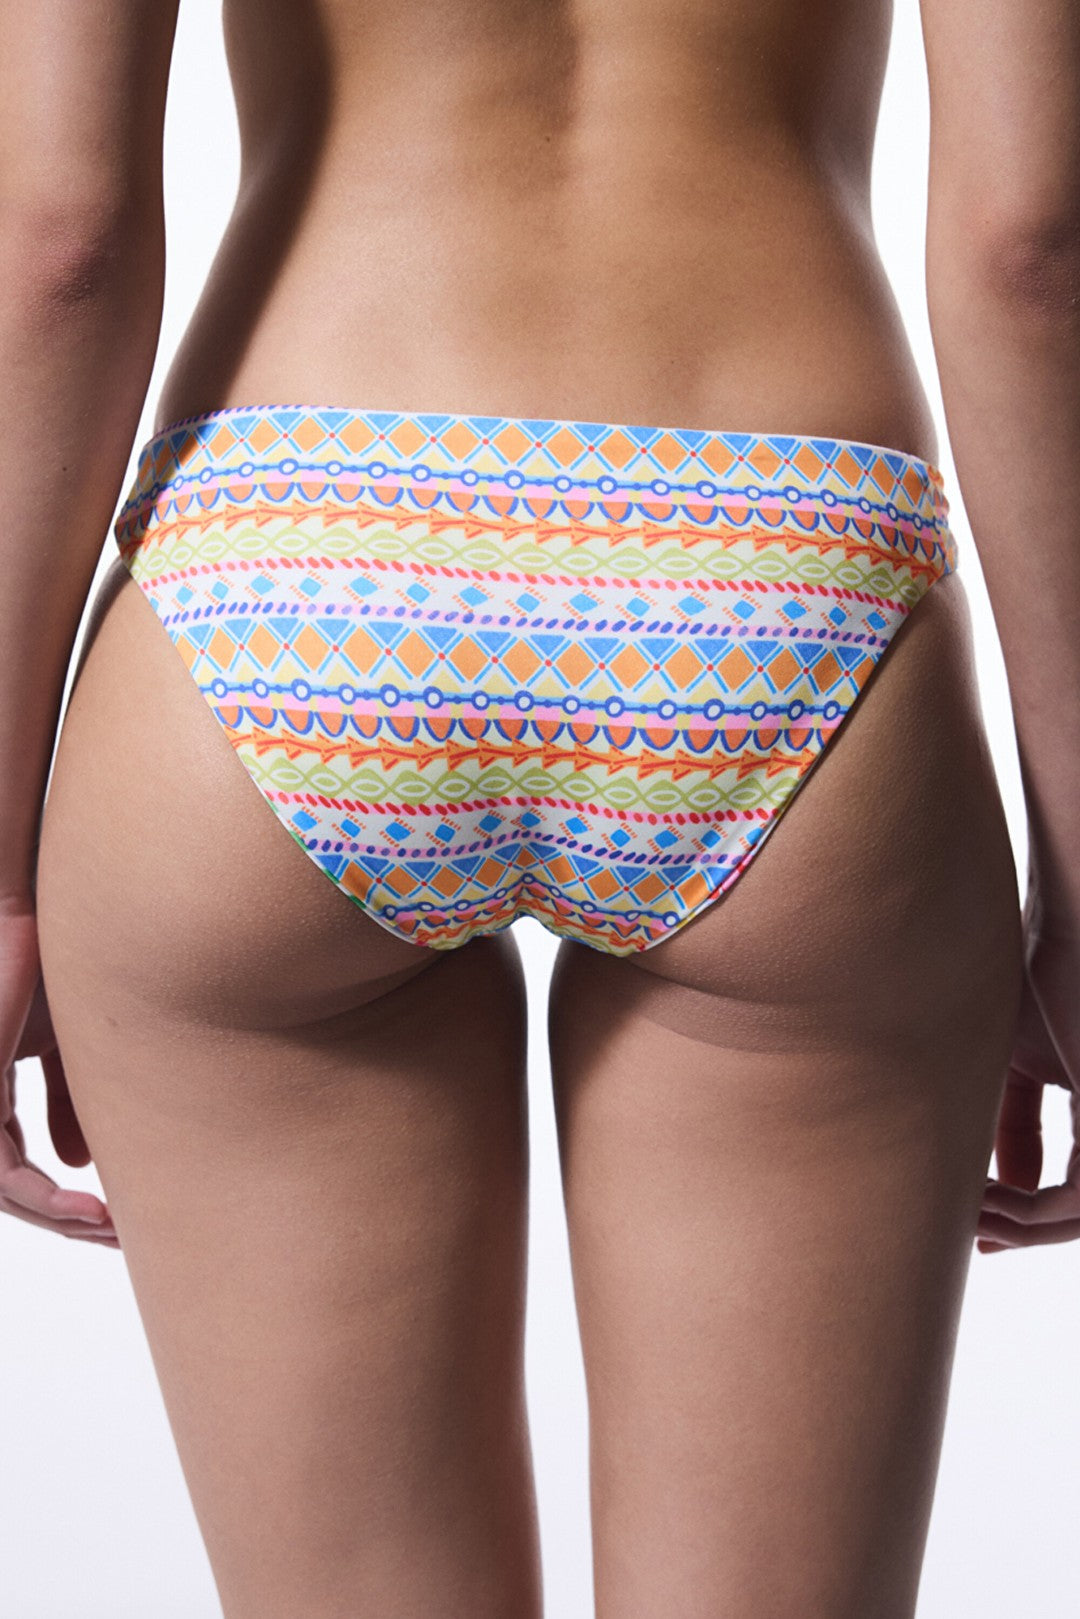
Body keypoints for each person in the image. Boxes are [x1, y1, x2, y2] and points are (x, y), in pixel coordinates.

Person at [1, 0, 1076, 1611]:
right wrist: (1077, 883)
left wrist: (4, 881)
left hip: (299, 555)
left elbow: (59, 237)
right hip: (774, 562)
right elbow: (1030, 244)